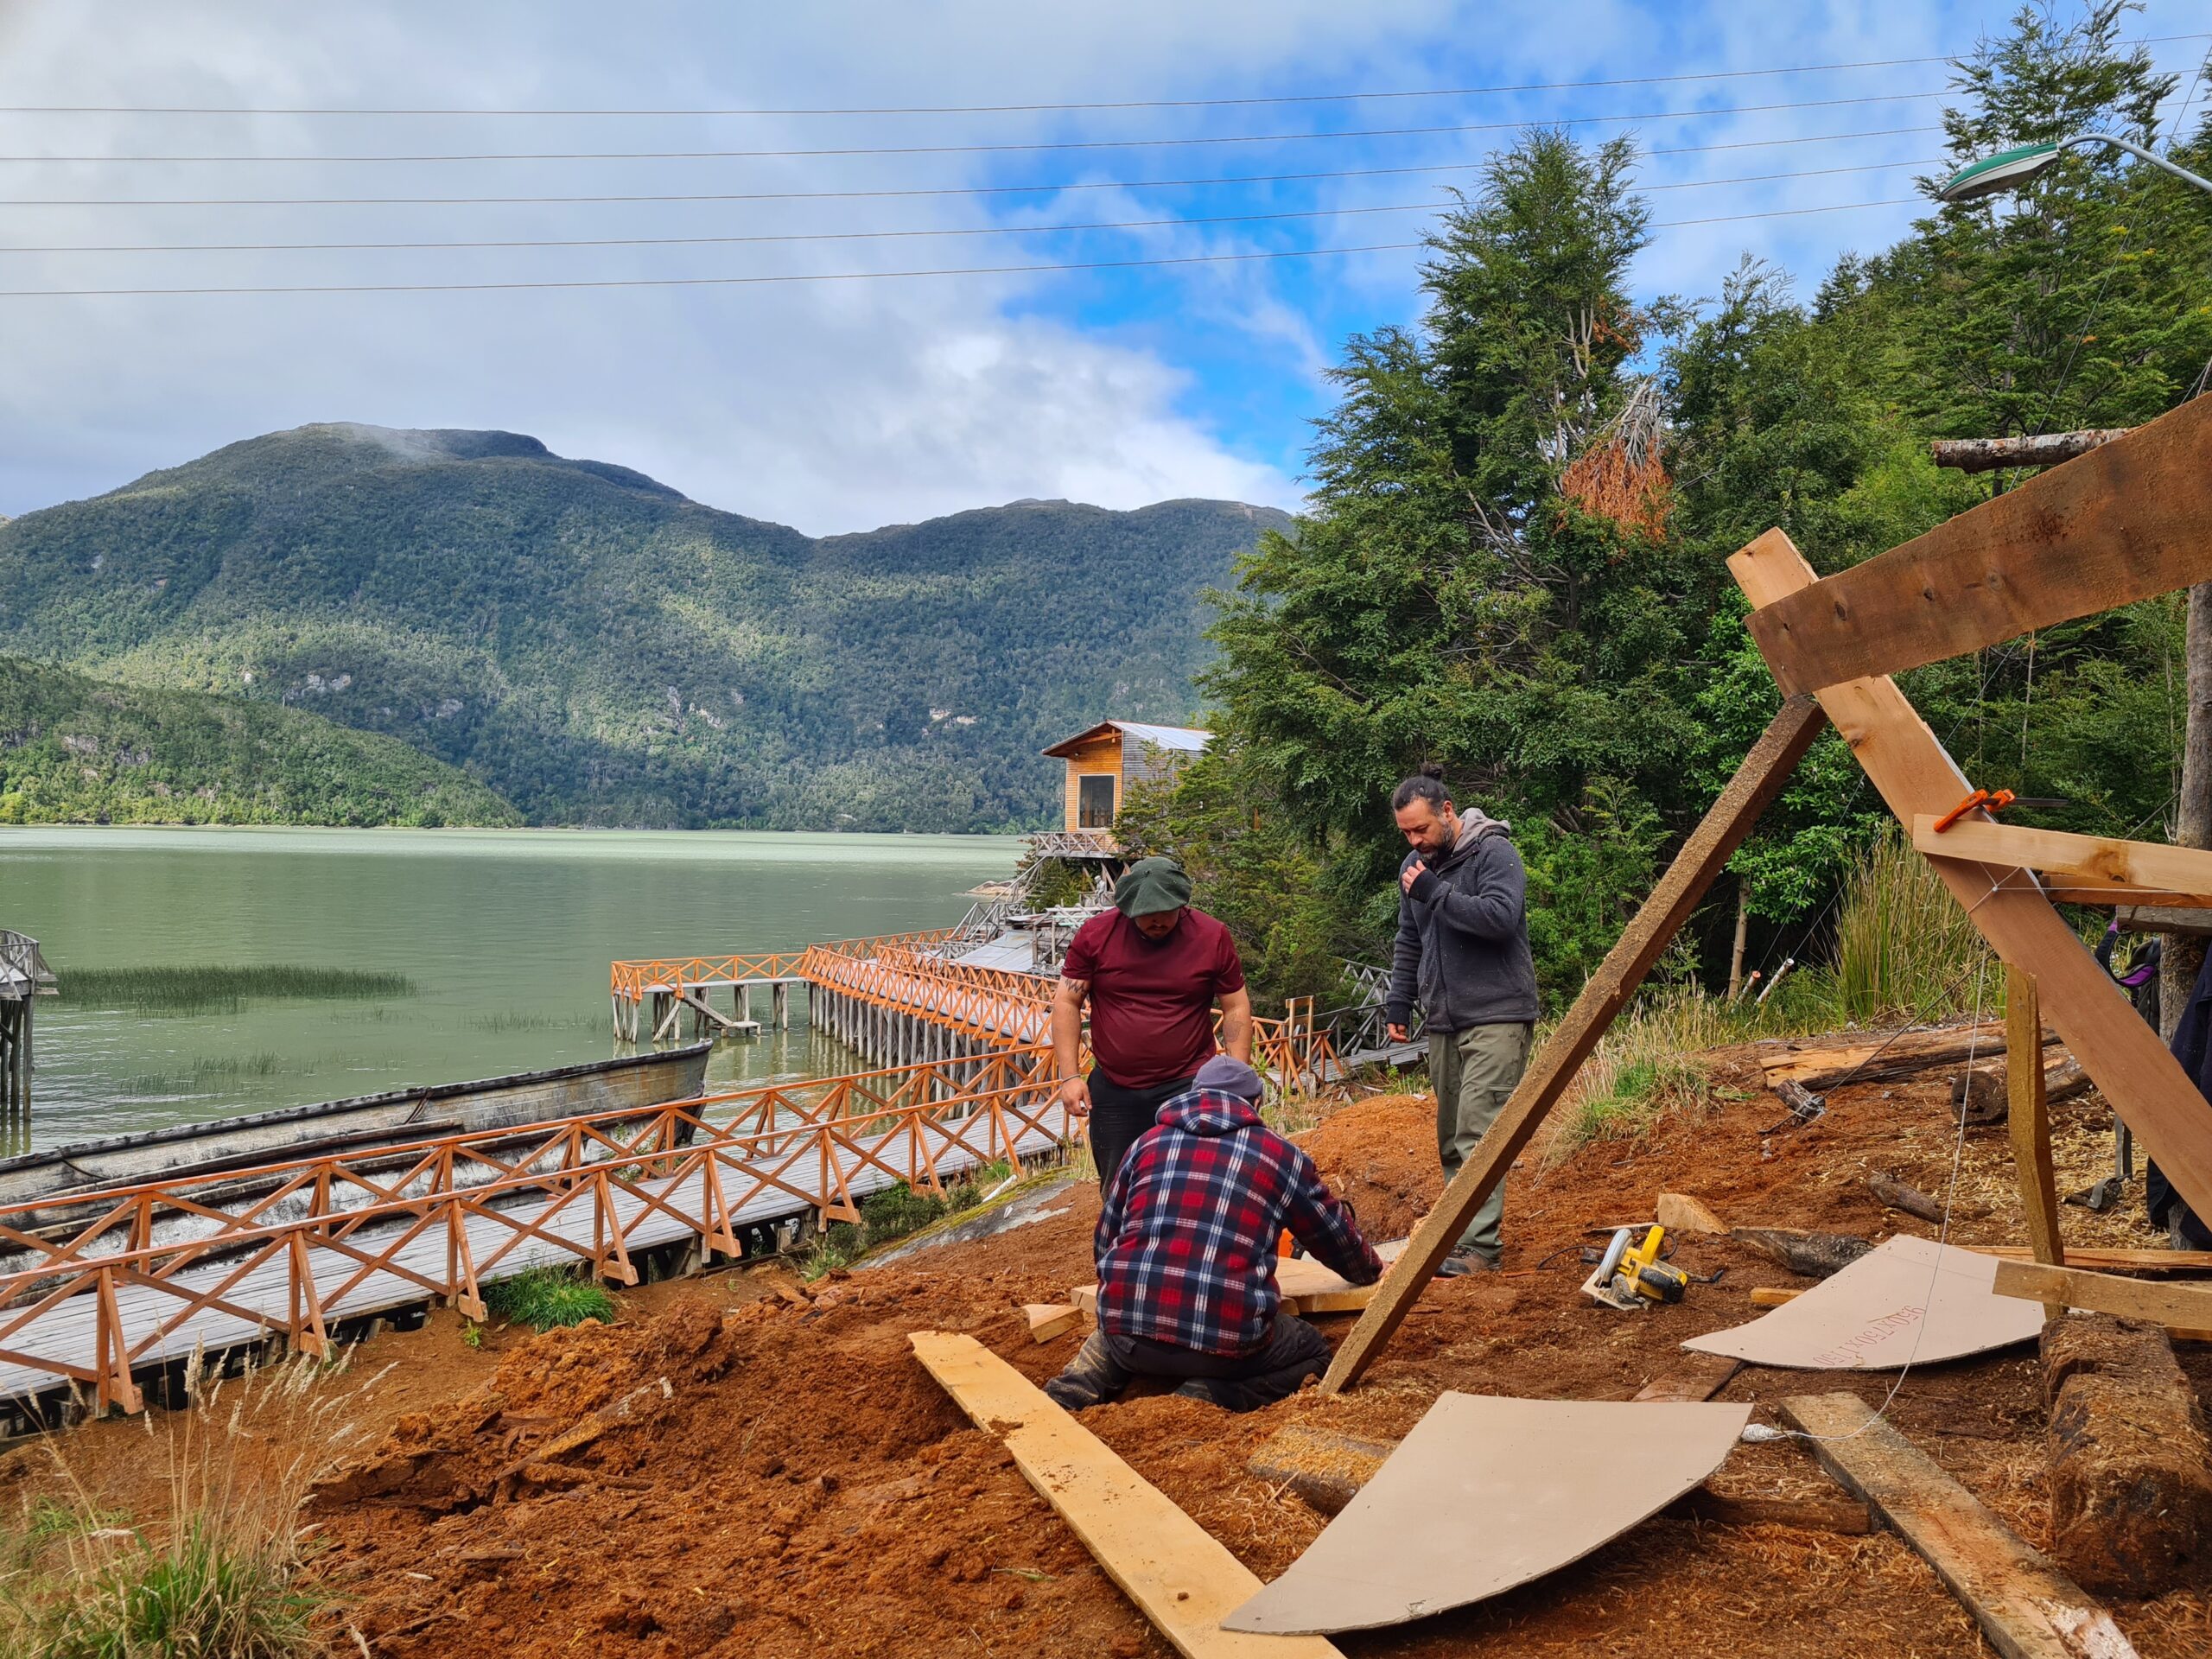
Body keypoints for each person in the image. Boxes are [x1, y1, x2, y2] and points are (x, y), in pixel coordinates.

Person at [1045, 1055, 1382, 1412]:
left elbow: (1105, 1240)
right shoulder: (1281, 1155)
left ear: (1195, 1095)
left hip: (1126, 1336)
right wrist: (1371, 1271)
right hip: (1224, 1347)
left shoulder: (1146, 1144)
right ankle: (1209, 1395)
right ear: (1256, 1103)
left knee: (1119, 1334)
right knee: (1312, 1351)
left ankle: (1075, 1388)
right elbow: (1333, 1236)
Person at [1382, 763, 1537, 1275]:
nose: (1415, 840)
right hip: (1443, 1018)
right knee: (1451, 1138)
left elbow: (1498, 919)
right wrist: (1399, 1002)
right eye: (1406, 831)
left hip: (1498, 1013)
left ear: (1447, 812)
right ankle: (1459, 1238)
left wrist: (1435, 893)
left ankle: (1480, 1249)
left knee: (1478, 1133)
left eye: (1422, 828)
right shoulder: (1414, 866)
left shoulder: (1494, 852)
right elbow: (1410, 939)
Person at [1052, 856, 1253, 1191]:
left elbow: (1235, 1005)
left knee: (1196, 1181)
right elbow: (1067, 1001)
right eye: (1146, 913)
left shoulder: (1211, 936)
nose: (1156, 920)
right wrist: (1070, 1076)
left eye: (1166, 911)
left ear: (1181, 903)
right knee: (1119, 1187)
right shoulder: (1096, 935)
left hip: (1189, 1083)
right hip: (1116, 1088)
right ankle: (1120, 1242)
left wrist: (1237, 1076)